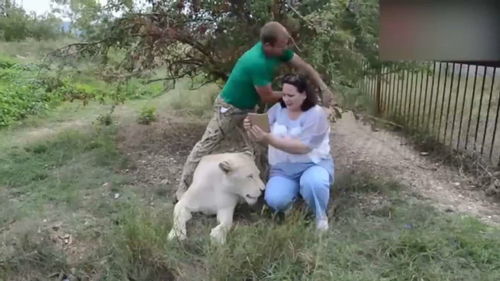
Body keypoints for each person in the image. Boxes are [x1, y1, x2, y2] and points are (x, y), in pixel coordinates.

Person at [175, 21, 335, 201]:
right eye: (283, 45)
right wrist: (295, 94)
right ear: (268, 45)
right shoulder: (256, 62)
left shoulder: (278, 51)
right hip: (228, 109)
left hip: (249, 109)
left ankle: (265, 190)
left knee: (262, 148)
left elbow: (303, 66)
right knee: (206, 145)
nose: (286, 49)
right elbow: (267, 96)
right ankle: (183, 189)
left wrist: (323, 87)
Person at [243, 74, 334, 232]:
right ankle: (295, 206)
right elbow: (262, 135)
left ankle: (320, 216)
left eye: (291, 95)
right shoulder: (278, 110)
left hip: (313, 164)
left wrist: (269, 139)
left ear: (304, 94)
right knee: (275, 200)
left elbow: (304, 147)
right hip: (283, 169)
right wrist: (251, 127)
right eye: (284, 94)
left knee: (315, 183)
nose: (286, 99)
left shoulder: (317, 114)